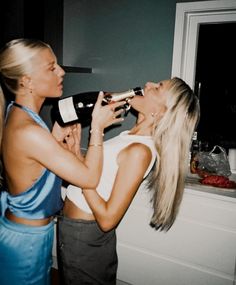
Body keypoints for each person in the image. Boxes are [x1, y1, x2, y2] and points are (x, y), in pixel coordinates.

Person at [0, 38, 125, 285]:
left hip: (33, 233)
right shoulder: (29, 131)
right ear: (26, 81)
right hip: (26, 241)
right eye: (51, 67)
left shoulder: (21, 114)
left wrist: (55, 139)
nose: (62, 71)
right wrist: (97, 129)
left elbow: (34, 169)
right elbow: (90, 178)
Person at [57, 77, 200, 284]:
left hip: (86, 237)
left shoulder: (140, 151)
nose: (149, 84)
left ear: (160, 113)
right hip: (74, 229)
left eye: (158, 88)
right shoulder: (130, 138)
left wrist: (97, 129)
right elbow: (95, 178)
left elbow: (108, 220)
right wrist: (77, 155)